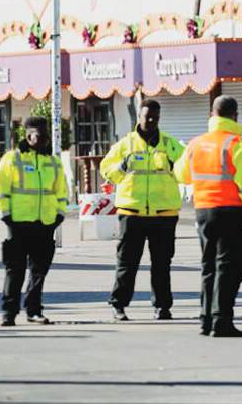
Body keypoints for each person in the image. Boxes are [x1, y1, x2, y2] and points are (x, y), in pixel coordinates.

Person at [175, 95, 242, 337]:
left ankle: (206, 319)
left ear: (212, 115)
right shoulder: (239, 146)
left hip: (203, 212)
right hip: (233, 212)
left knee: (208, 266)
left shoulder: (195, 144)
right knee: (228, 267)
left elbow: (181, 175)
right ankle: (222, 320)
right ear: (235, 116)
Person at [99, 99, 185, 322]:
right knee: (127, 263)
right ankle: (118, 305)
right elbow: (105, 169)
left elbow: (187, 170)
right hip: (132, 212)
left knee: (162, 264)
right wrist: (122, 167)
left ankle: (162, 307)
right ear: (138, 117)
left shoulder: (169, 144)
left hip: (164, 213)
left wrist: (175, 166)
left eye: (155, 118)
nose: (151, 121)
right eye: (147, 117)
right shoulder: (125, 144)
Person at [0, 116, 68, 326]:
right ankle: (8, 313)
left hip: (45, 224)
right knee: (14, 271)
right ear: (27, 135)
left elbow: (62, 193)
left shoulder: (53, 162)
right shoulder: (12, 159)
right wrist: (6, 217)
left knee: (39, 272)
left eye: (45, 136)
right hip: (17, 224)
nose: (43, 139)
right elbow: (0, 191)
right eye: (38, 135)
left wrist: (58, 216)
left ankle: (34, 310)